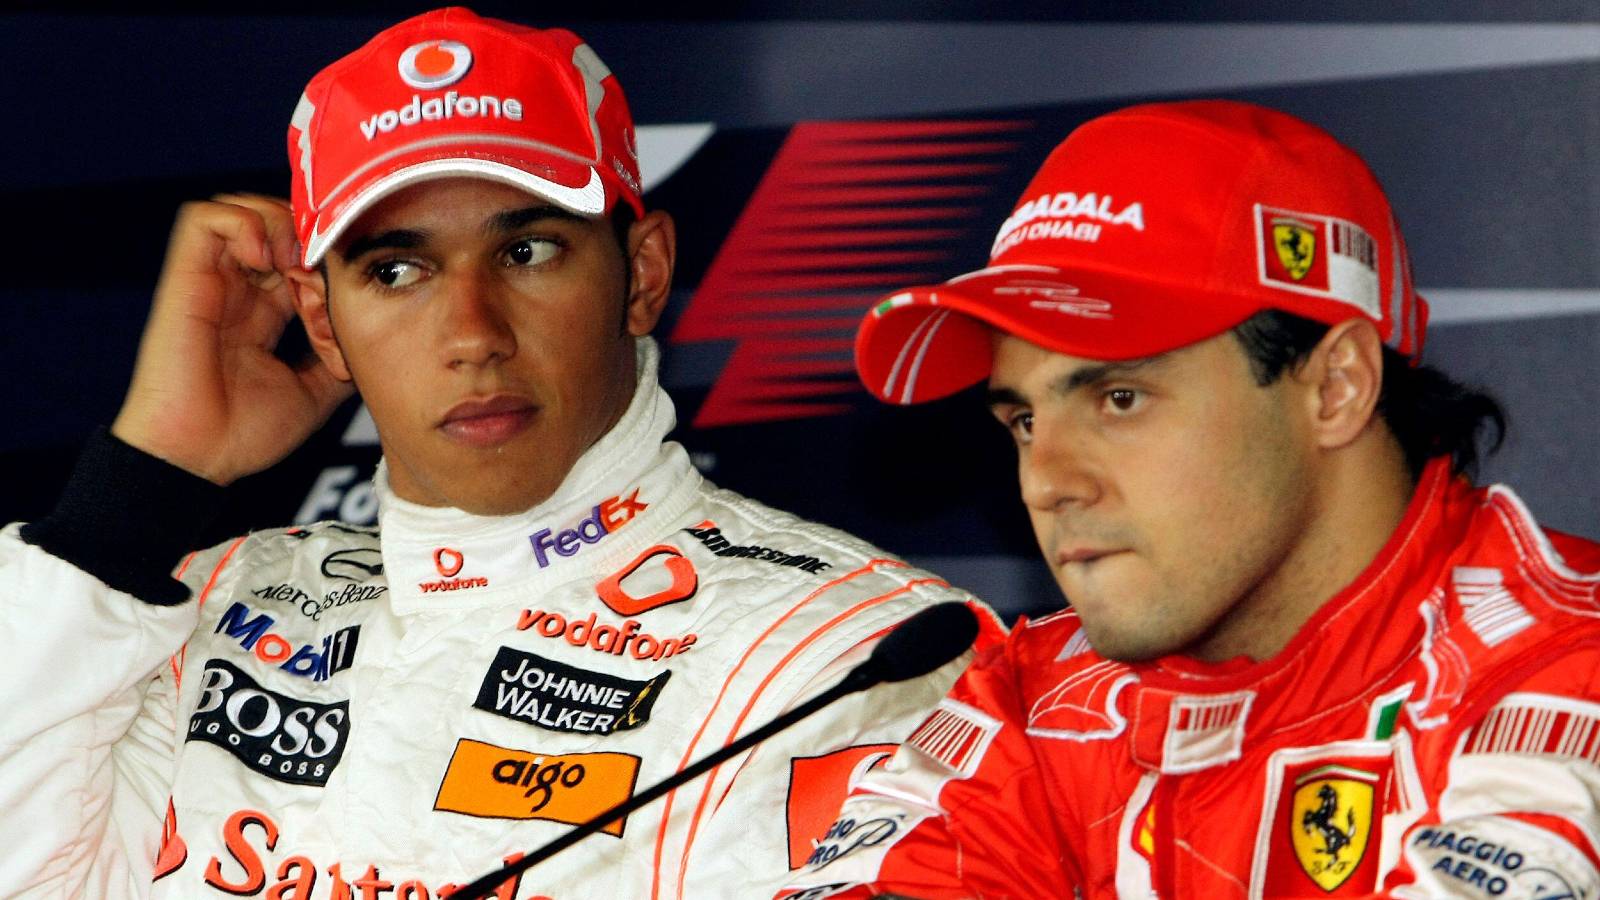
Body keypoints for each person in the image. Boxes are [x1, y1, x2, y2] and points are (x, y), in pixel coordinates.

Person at [0, 8, 992, 898]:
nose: (470, 332)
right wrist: (132, 495)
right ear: (323, 321)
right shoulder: (193, 611)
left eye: (526, 252)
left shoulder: (857, 660)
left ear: (641, 275)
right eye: (396, 269)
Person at [779, 100, 1600, 898]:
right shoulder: (1035, 699)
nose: (1046, 480)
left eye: (1119, 399)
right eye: (1025, 419)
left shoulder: (1563, 673)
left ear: (1337, 386)